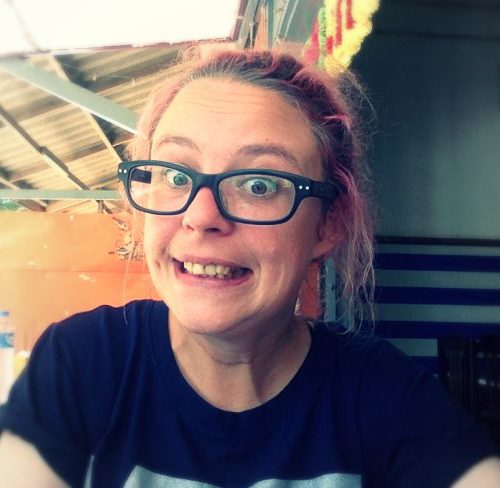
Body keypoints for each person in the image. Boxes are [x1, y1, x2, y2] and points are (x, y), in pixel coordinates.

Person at [0, 47, 499, 488]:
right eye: (176, 175)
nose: (201, 216)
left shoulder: (384, 395)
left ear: (327, 224)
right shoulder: (83, 362)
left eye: (259, 185)